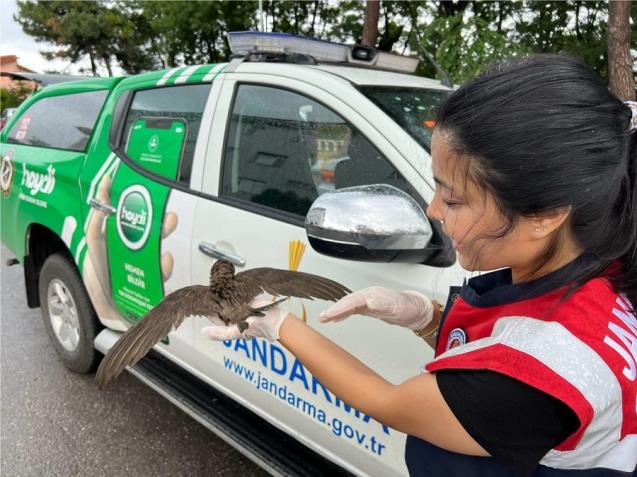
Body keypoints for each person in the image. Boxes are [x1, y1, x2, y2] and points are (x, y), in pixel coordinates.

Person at [202, 54, 637, 476]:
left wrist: (277, 324)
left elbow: (388, 402)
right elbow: (502, 345)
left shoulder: (544, 374)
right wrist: (427, 319)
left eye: (452, 199)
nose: (432, 210)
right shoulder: (600, 273)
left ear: (545, 215)